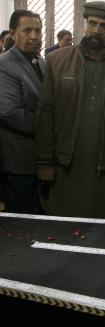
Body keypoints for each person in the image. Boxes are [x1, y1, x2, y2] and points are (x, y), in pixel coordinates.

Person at [35, 1, 105, 219]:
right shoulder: (57, 60)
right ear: (86, 24)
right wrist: (44, 162)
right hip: (66, 166)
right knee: (62, 231)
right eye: (93, 23)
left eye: (104, 26)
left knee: (100, 235)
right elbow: (46, 114)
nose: (96, 31)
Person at [0, 10, 44, 214]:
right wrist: (50, 128)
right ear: (13, 32)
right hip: (18, 161)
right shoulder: (4, 64)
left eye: (38, 30)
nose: (34, 36)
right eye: (27, 30)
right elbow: (9, 112)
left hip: (39, 158)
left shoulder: (40, 62)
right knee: (20, 222)